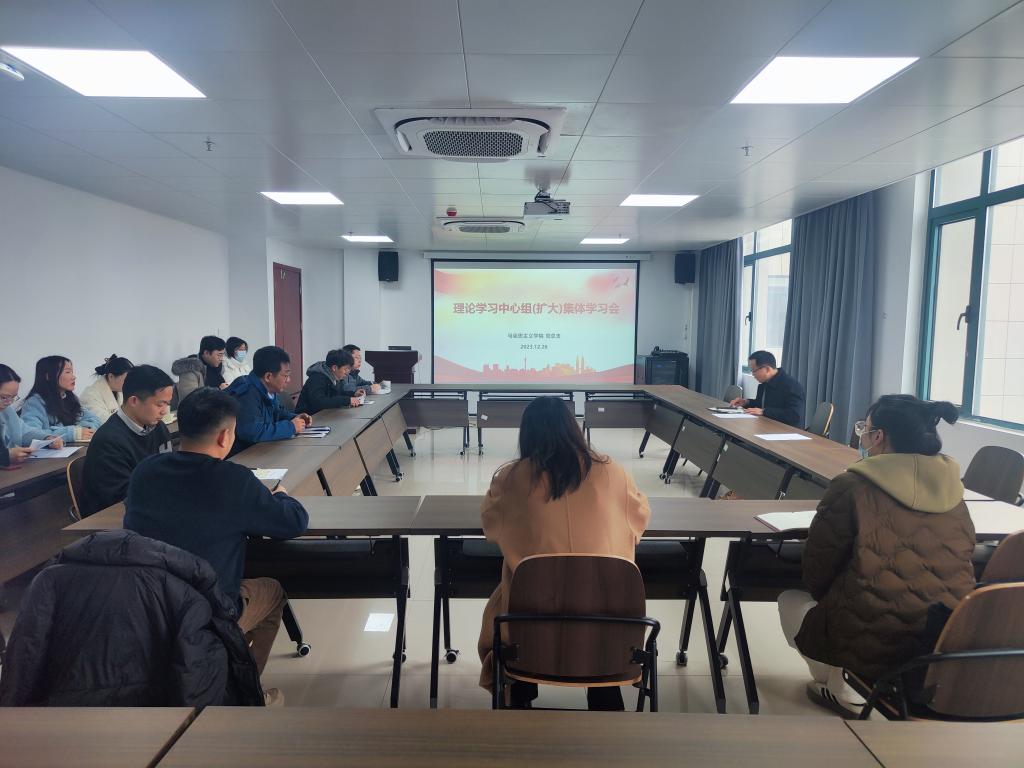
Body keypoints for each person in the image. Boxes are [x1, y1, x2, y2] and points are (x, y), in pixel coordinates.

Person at [777, 394, 975, 717]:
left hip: (868, 639)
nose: (862, 436)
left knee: (791, 600)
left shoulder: (852, 485)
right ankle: (846, 682)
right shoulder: (955, 491)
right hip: (943, 635)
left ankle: (840, 684)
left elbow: (817, 571)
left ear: (878, 436)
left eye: (864, 429)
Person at [123, 388, 308, 694]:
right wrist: (282, 497)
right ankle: (243, 690)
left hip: (146, 604)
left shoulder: (145, 471)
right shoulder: (234, 480)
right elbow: (294, 522)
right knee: (272, 592)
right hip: (208, 610)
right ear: (225, 437)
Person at [477, 396, 650, 711]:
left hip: (531, 625)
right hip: (607, 624)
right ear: (574, 430)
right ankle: (605, 695)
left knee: (515, 590)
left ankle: (519, 695)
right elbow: (640, 519)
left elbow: (491, 526)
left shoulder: (511, 478)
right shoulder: (613, 472)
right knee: (595, 594)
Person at [80, 365, 174, 517]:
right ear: (134, 401)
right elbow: (121, 499)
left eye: (167, 404)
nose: (164, 411)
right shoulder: (109, 442)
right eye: (159, 404)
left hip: (154, 506)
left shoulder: (158, 427)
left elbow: (170, 470)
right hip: (117, 518)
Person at [225, 345, 311, 454]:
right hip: (242, 455)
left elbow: (276, 413)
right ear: (268, 377)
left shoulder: (268, 389)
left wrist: (295, 418)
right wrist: (291, 427)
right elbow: (252, 432)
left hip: (260, 450)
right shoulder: (246, 394)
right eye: (285, 376)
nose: (288, 380)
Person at [21, 356, 101, 442]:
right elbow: (29, 434)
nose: (74, 377)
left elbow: (94, 419)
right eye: (68, 372)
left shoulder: (69, 398)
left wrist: (84, 430)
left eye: (72, 372)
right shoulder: (34, 402)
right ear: (48, 376)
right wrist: (72, 433)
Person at [0, 364, 64, 467]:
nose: (9, 402)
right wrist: (5, 456)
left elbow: (24, 432)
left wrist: (46, 438)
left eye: (13, 397)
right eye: (4, 397)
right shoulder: (34, 401)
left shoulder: (7, 411)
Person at [729, 350, 805, 427]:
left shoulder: (792, 386)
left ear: (767, 369)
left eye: (754, 370)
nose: (753, 374)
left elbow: (795, 415)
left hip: (787, 430)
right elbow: (761, 405)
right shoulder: (764, 384)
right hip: (766, 425)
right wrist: (746, 402)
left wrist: (764, 412)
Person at [296, 348, 361, 414]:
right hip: (308, 417)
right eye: (345, 369)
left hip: (324, 414)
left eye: (349, 369)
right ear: (334, 368)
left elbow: (338, 394)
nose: (348, 372)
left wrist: (353, 394)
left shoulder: (334, 377)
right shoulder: (317, 378)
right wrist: (347, 400)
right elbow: (319, 402)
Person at [172, 335, 227, 405]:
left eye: (223, 355)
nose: (222, 359)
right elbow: (190, 398)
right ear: (206, 353)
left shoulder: (216, 367)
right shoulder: (190, 369)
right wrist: (218, 390)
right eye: (219, 355)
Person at [80, 354, 134, 424]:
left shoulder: (121, 391)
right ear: (111, 377)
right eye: (126, 379)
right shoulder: (90, 396)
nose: (130, 383)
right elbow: (104, 423)